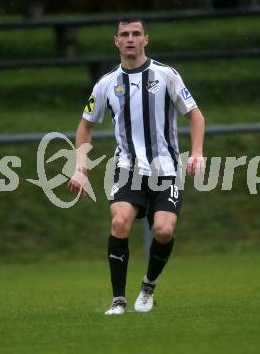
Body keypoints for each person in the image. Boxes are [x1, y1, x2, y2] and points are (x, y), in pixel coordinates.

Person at [68, 17, 205, 315]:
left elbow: (195, 115)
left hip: (165, 169)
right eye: (124, 34)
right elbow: (84, 129)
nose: (130, 39)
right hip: (127, 169)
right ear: (116, 41)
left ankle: (148, 285)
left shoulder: (166, 75)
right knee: (119, 223)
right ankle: (118, 300)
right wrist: (80, 168)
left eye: (136, 34)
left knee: (164, 230)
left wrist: (196, 152)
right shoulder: (106, 84)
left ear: (146, 39)